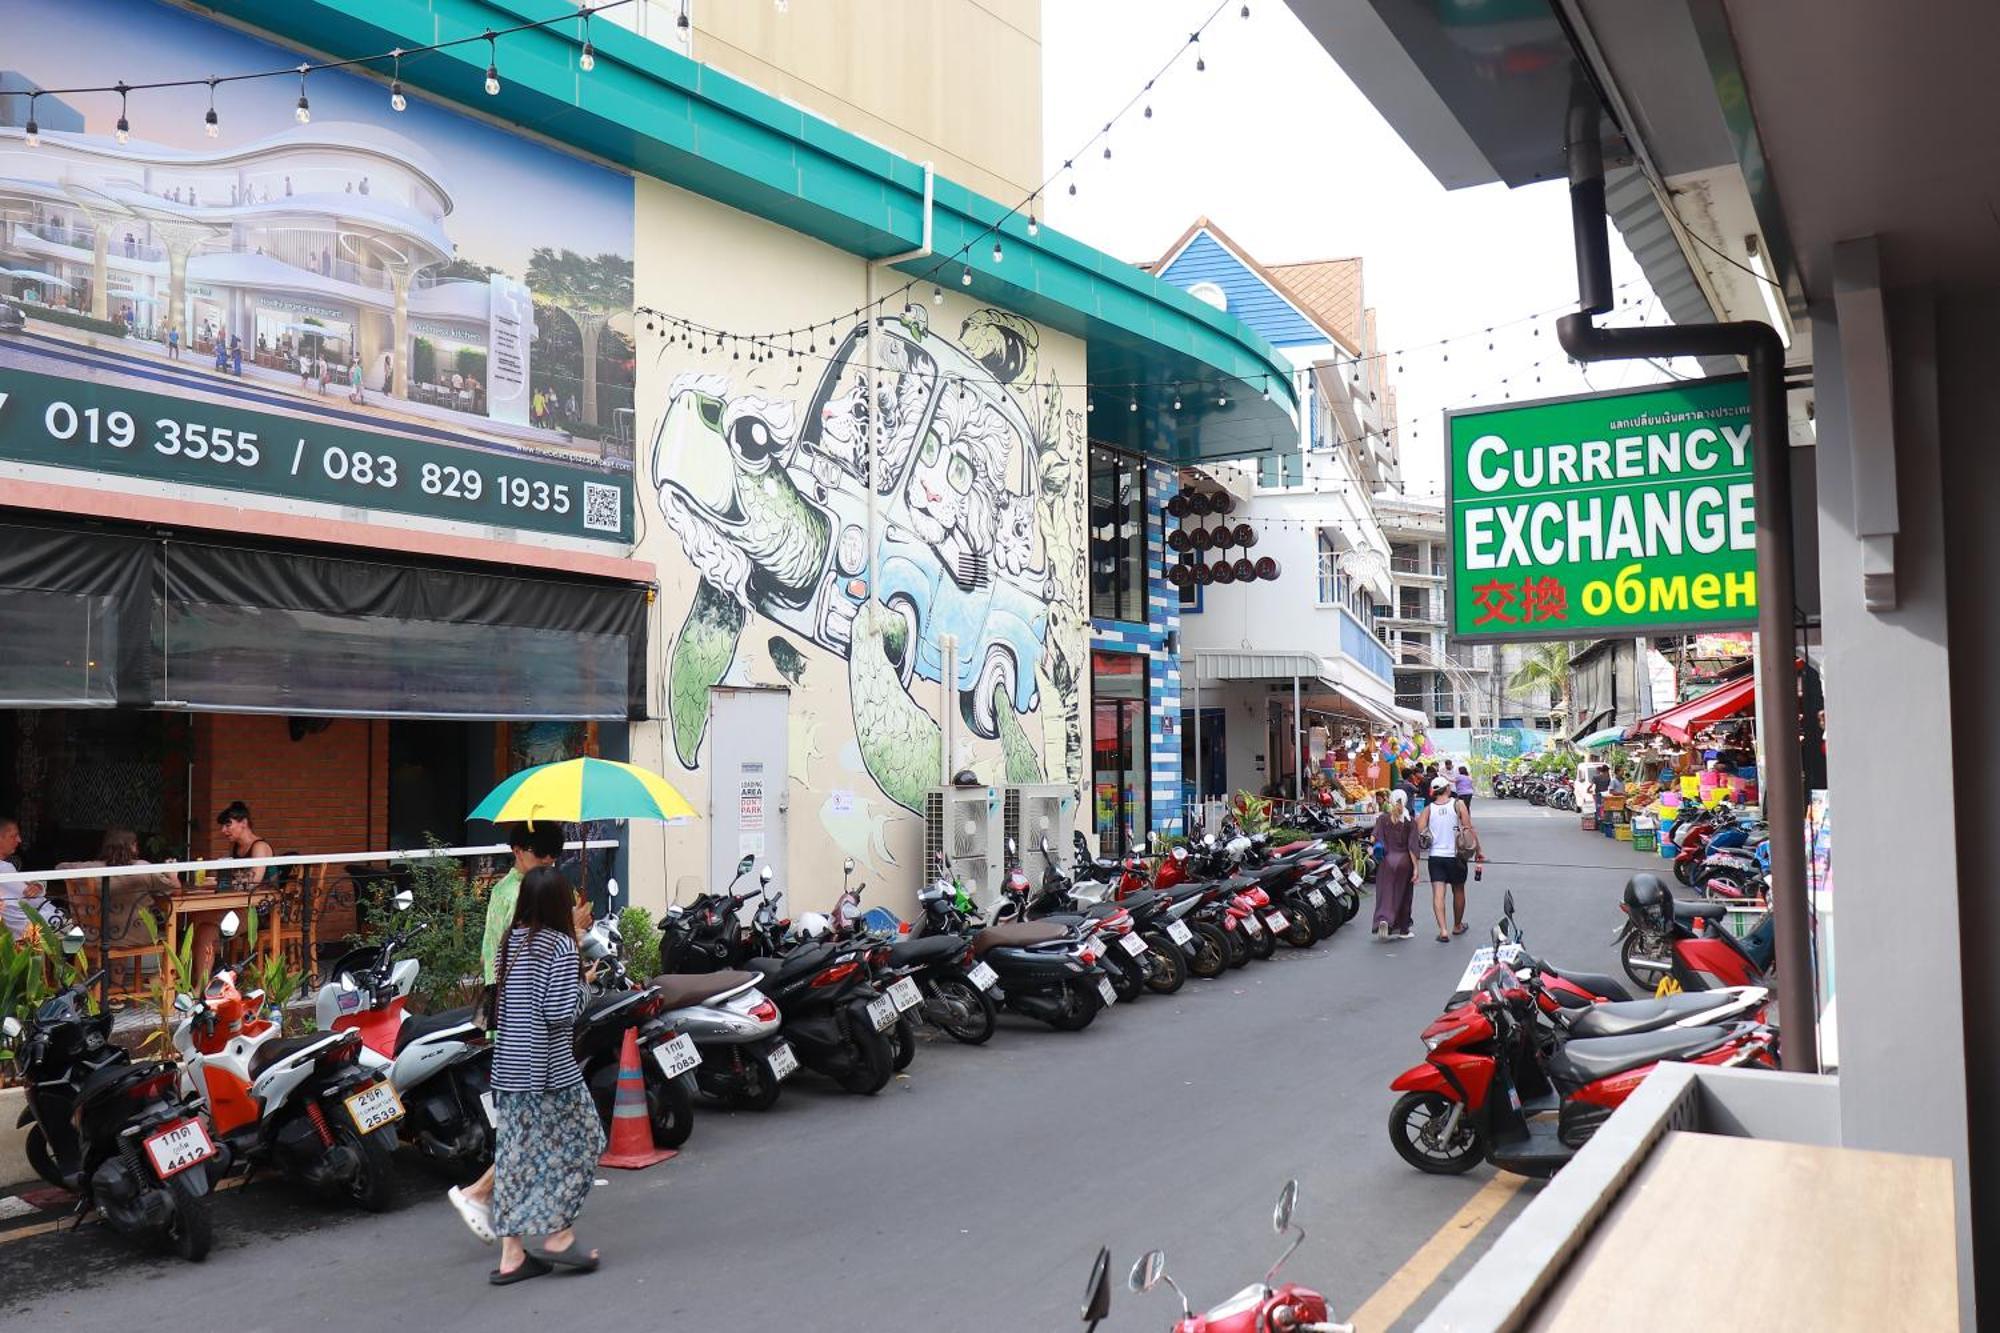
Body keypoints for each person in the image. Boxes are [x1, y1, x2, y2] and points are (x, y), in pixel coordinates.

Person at [448, 822, 588, 1244]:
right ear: (519, 851)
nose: (547, 865)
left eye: (552, 859)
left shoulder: (519, 901)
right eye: (541, 856)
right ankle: (511, 1214)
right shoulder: (519, 897)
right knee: (540, 1133)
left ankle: (521, 1234)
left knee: (527, 1131)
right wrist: (573, 936)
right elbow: (551, 992)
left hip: (514, 1030)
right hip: (532, 1038)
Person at [485, 866, 604, 1284]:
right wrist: (583, 986)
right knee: (586, 1140)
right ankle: (558, 1232)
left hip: (509, 1068)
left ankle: (512, 1254)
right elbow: (557, 1012)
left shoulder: (509, 943)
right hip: (550, 1071)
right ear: (557, 902)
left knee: (515, 1157)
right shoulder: (559, 946)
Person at [204, 801, 274, 980]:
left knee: (207, 928)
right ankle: (208, 977)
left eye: (228, 825)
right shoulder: (236, 848)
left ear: (244, 823)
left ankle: (209, 978)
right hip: (238, 906)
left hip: (260, 911)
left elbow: (252, 882)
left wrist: (227, 880)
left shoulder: (259, 847)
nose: (223, 830)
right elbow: (233, 879)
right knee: (202, 923)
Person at [1417, 776, 1484, 943]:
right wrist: (1478, 850)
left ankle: (1443, 930)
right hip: (1455, 855)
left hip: (1435, 857)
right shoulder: (1458, 804)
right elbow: (1468, 828)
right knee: (1458, 890)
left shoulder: (1428, 809)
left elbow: (1419, 831)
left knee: (1438, 894)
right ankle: (1457, 925)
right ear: (1447, 788)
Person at [1370, 790, 1418, 941]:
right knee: (1404, 895)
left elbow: (1373, 838)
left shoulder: (1382, 819)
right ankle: (1403, 929)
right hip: (1404, 861)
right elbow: (1412, 847)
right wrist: (1416, 868)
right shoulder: (1410, 821)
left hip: (1386, 860)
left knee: (1386, 892)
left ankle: (1384, 919)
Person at [0, 816, 50, 942]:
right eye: (13, 836)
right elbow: (35, 900)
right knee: (75, 929)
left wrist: (38, 886)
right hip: (26, 928)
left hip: (14, 929)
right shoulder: (4, 868)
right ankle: (69, 961)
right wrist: (39, 889)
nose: (19, 840)